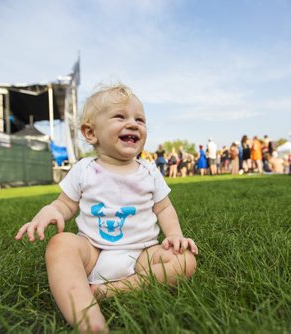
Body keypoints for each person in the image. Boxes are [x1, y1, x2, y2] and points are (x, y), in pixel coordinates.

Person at [14, 83, 198, 332]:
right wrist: (53, 210)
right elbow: (66, 204)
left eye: (140, 119)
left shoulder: (149, 171)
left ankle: (111, 290)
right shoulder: (84, 169)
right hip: (93, 252)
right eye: (120, 117)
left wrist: (174, 235)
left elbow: (164, 209)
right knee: (60, 244)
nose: (133, 124)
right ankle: (89, 321)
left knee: (185, 260)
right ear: (91, 133)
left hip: (143, 254)